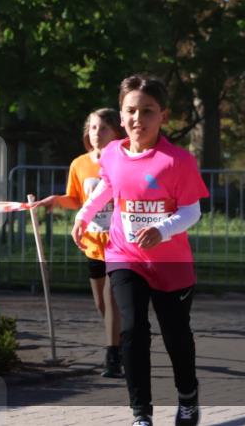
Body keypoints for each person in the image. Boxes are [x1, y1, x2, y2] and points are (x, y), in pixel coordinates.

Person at [72, 76, 208, 426]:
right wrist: (84, 214)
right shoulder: (114, 152)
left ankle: (188, 398)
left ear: (163, 115)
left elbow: (192, 211)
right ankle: (141, 414)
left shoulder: (177, 161)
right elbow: (107, 185)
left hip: (169, 262)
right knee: (132, 329)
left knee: (176, 335)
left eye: (147, 111)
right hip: (124, 254)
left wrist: (162, 230)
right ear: (121, 115)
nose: (138, 119)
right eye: (131, 111)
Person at [36, 108, 125, 378]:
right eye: (94, 128)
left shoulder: (124, 160)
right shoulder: (80, 164)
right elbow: (76, 199)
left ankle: (113, 357)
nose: (98, 133)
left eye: (104, 128)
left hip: (119, 242)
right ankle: (122, 339)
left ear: (117, 133)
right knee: (101, 303)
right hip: (92, 243)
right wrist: (55, 200)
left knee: (111, 298)